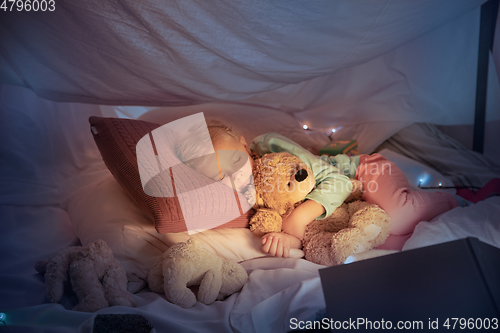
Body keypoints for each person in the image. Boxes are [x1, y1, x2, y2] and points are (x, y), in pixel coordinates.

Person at [175, 118, 474, 259]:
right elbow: (288, 231)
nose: (235, 178)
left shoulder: (271, 146)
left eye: (235, 161)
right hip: (347, 207)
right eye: (221, 177)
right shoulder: (250, 196)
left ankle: (454, 200)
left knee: (396, 214)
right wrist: (288, 240)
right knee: (381, 240)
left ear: (243, 144)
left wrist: (297, 219)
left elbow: (338, 181)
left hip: (361, 173)